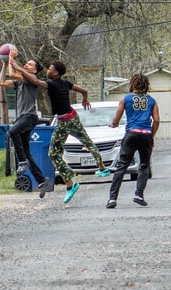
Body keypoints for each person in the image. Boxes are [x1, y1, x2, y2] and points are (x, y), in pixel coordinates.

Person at [12, 59, 110, 204]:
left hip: (64, 122)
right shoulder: (66, 83)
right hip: (73, 118)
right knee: (87, 141)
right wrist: (85, 99)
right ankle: (102, 168)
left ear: (55, 73)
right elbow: (84, 90)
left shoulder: (51, 84)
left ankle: (70, 183)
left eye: (49, 69)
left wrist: (19, 69)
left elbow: (35, 82)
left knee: (53, 153)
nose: (47, 71)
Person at [0, 48, 50, 198]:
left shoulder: (30, 78)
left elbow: (13, 73)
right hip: (22, 118)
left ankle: (21, 161)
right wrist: (3, 65)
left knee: (13, 131)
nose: (26, 65)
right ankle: (41, 181)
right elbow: (2, 82)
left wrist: (12, 60)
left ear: (34, 70)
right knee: (27, 152)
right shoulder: (20, 83)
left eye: (29, 64)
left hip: (29, 116)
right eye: (26, 64)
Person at [106, 73, 160, 209]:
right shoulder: (152, 101)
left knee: (122, 165)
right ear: (146, 86)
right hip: (146, 134)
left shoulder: (125, 99)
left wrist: (113, 124)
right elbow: (157, 120)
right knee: (144, 165)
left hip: (131, 134)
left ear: (133, 84)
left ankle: (112, 198)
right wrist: (151, 136)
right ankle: (139, 195)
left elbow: (117, 118)